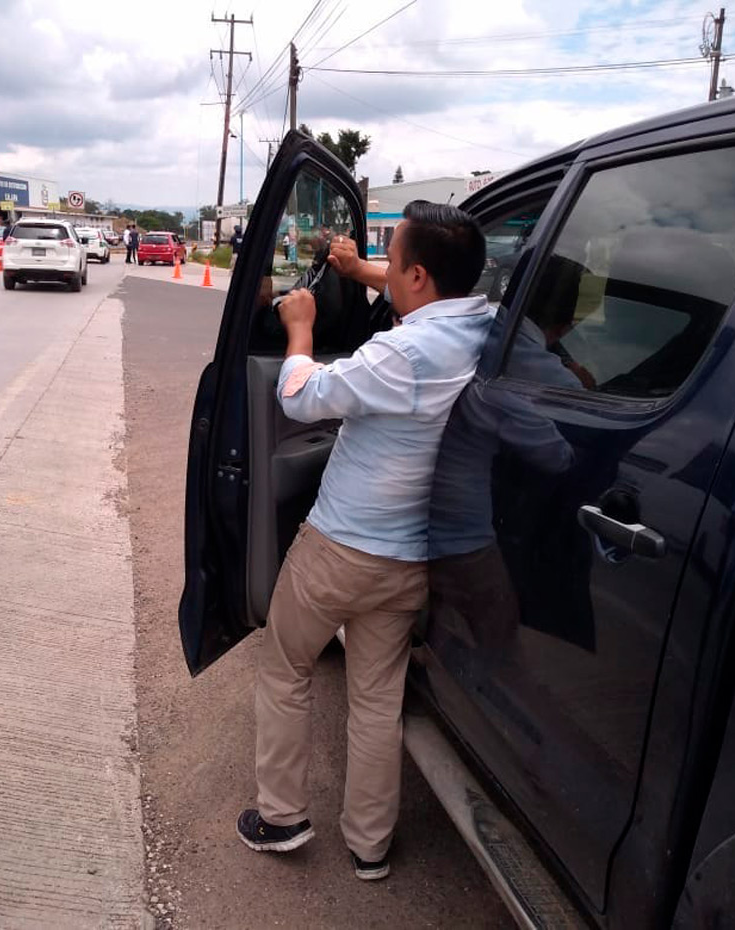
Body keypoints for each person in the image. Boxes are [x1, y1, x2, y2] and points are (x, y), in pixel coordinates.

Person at [237, 201, 490, 881]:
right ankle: (369, 847)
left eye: (389, 258)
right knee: (378, 701)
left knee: (286, 668)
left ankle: (281, 817)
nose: (382, 270)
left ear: (415, 273)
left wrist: (300, 328)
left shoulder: (401, 352)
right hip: (412, 561)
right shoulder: (485, 328)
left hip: (340, 550)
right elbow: (409, 283)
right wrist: (358, 270)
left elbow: (300, 397)